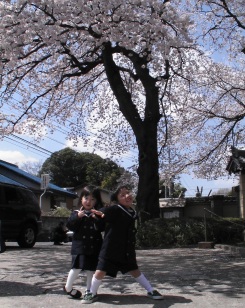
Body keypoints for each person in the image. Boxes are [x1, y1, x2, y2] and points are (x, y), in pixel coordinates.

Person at [81, 185, 163, 304]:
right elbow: (105, 212)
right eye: (122, 195)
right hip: (110, 248)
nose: (127, 196)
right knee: (100, 271)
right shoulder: (116, 208)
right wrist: (100, 214)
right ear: (117, 199)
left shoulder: (132, 211)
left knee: (134, 270)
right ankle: (92, 293)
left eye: (128, 193)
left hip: (126, 249)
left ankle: (150, 290)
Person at [63, 185, 104, 299]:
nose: (88, 201)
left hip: (94, 246)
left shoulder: (98, 214)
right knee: (76, 267)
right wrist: (78, 217)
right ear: (81, 199)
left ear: (96, 201)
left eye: (92, 199)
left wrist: (97, 218)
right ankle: (68, 287)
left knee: (91, 269)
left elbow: (102, 227)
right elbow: (70, 225)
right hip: (79, 247)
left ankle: (89, 290)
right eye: (86, 198)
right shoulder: (76, 213)